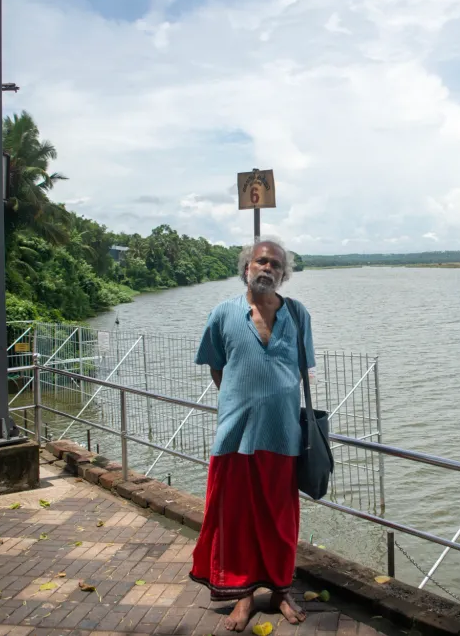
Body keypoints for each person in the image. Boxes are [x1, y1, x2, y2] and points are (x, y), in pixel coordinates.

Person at [190, 237, 315, 631]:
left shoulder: (298, 315)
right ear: (246, 267)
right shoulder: (223, 313)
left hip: (282, 435)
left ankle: (279, 590)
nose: (267, 268)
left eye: (275, 265)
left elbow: (300, 370)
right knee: (236, 518)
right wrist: (242, 398)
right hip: (235, 435)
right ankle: (241, 597)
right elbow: (216, 368)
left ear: (283, 275)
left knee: (280, 519)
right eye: (261, 261)